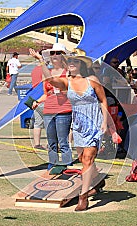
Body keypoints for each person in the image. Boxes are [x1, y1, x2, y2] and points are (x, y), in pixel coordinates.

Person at [30, 48, 108, 212]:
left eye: (75, 61)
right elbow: (51, 80)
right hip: (78, 125)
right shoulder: (67, 81)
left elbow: (103, 100)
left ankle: (83, 197)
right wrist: (41, 61)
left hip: (93, 122)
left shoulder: (92, 79)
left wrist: (105, 122)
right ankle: (98, 180)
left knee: (87, 160)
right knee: (83, 159)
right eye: (70, 61)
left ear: (81, 64)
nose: (72, 64)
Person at [29, 43, 73, 171]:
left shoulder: (68, 72)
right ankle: (52, 164)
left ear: (63, 56)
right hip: (49, 110)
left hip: (64, 110)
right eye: (52, 53)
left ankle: (66, 164)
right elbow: (46, 94)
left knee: (63, 140)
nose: (54, 55)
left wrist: (41, 60)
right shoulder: (47, 72)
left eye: (58, 53)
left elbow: (68, 89)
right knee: (51, 141)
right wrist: (37, 101)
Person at [30, 51, 46, 150]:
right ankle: (52, 144)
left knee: (37, 123)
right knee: (51, 123)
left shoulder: (34, 70)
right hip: (45, 98)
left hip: (36, 100)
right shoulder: (46, 70)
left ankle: (37, 144)